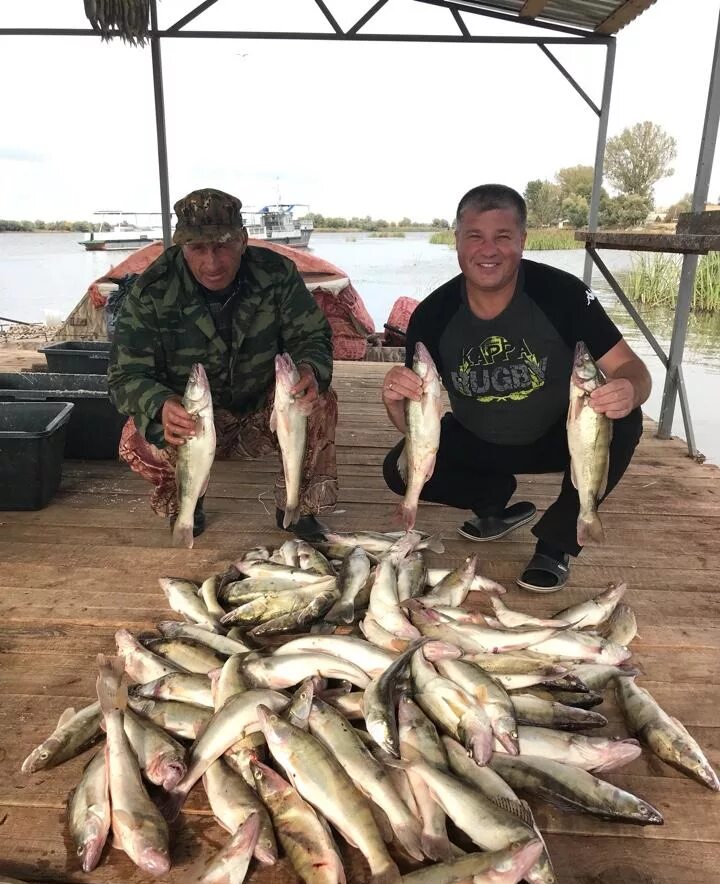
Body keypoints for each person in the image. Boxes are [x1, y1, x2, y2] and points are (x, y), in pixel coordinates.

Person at [381, 184, 651, 592]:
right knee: (397, 470)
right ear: (457, 240)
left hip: (558, 437)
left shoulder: (564, 295)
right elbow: (414, 424)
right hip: (479, 439)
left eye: (502, 237)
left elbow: (633, 368)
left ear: (523, 240)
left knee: (625, 418)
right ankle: (494, 501)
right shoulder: (432, 315)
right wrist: (392, 399)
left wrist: (629, 389)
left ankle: (557, 543)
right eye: (474, 236)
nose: (487, 250)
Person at [108, 187, 337, 540]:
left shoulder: (276, 273)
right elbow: (125, 375)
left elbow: (313, 337)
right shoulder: (153, 288)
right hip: (195, 421)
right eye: (198, 248)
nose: (212, 263)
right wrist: (160, 405)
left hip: (265, 413)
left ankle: (297, 503)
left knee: (319, 398)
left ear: (242, 240)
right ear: (180, 247)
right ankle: (188, 499)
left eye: (222, 246)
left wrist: (309, 370)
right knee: (134, 436)